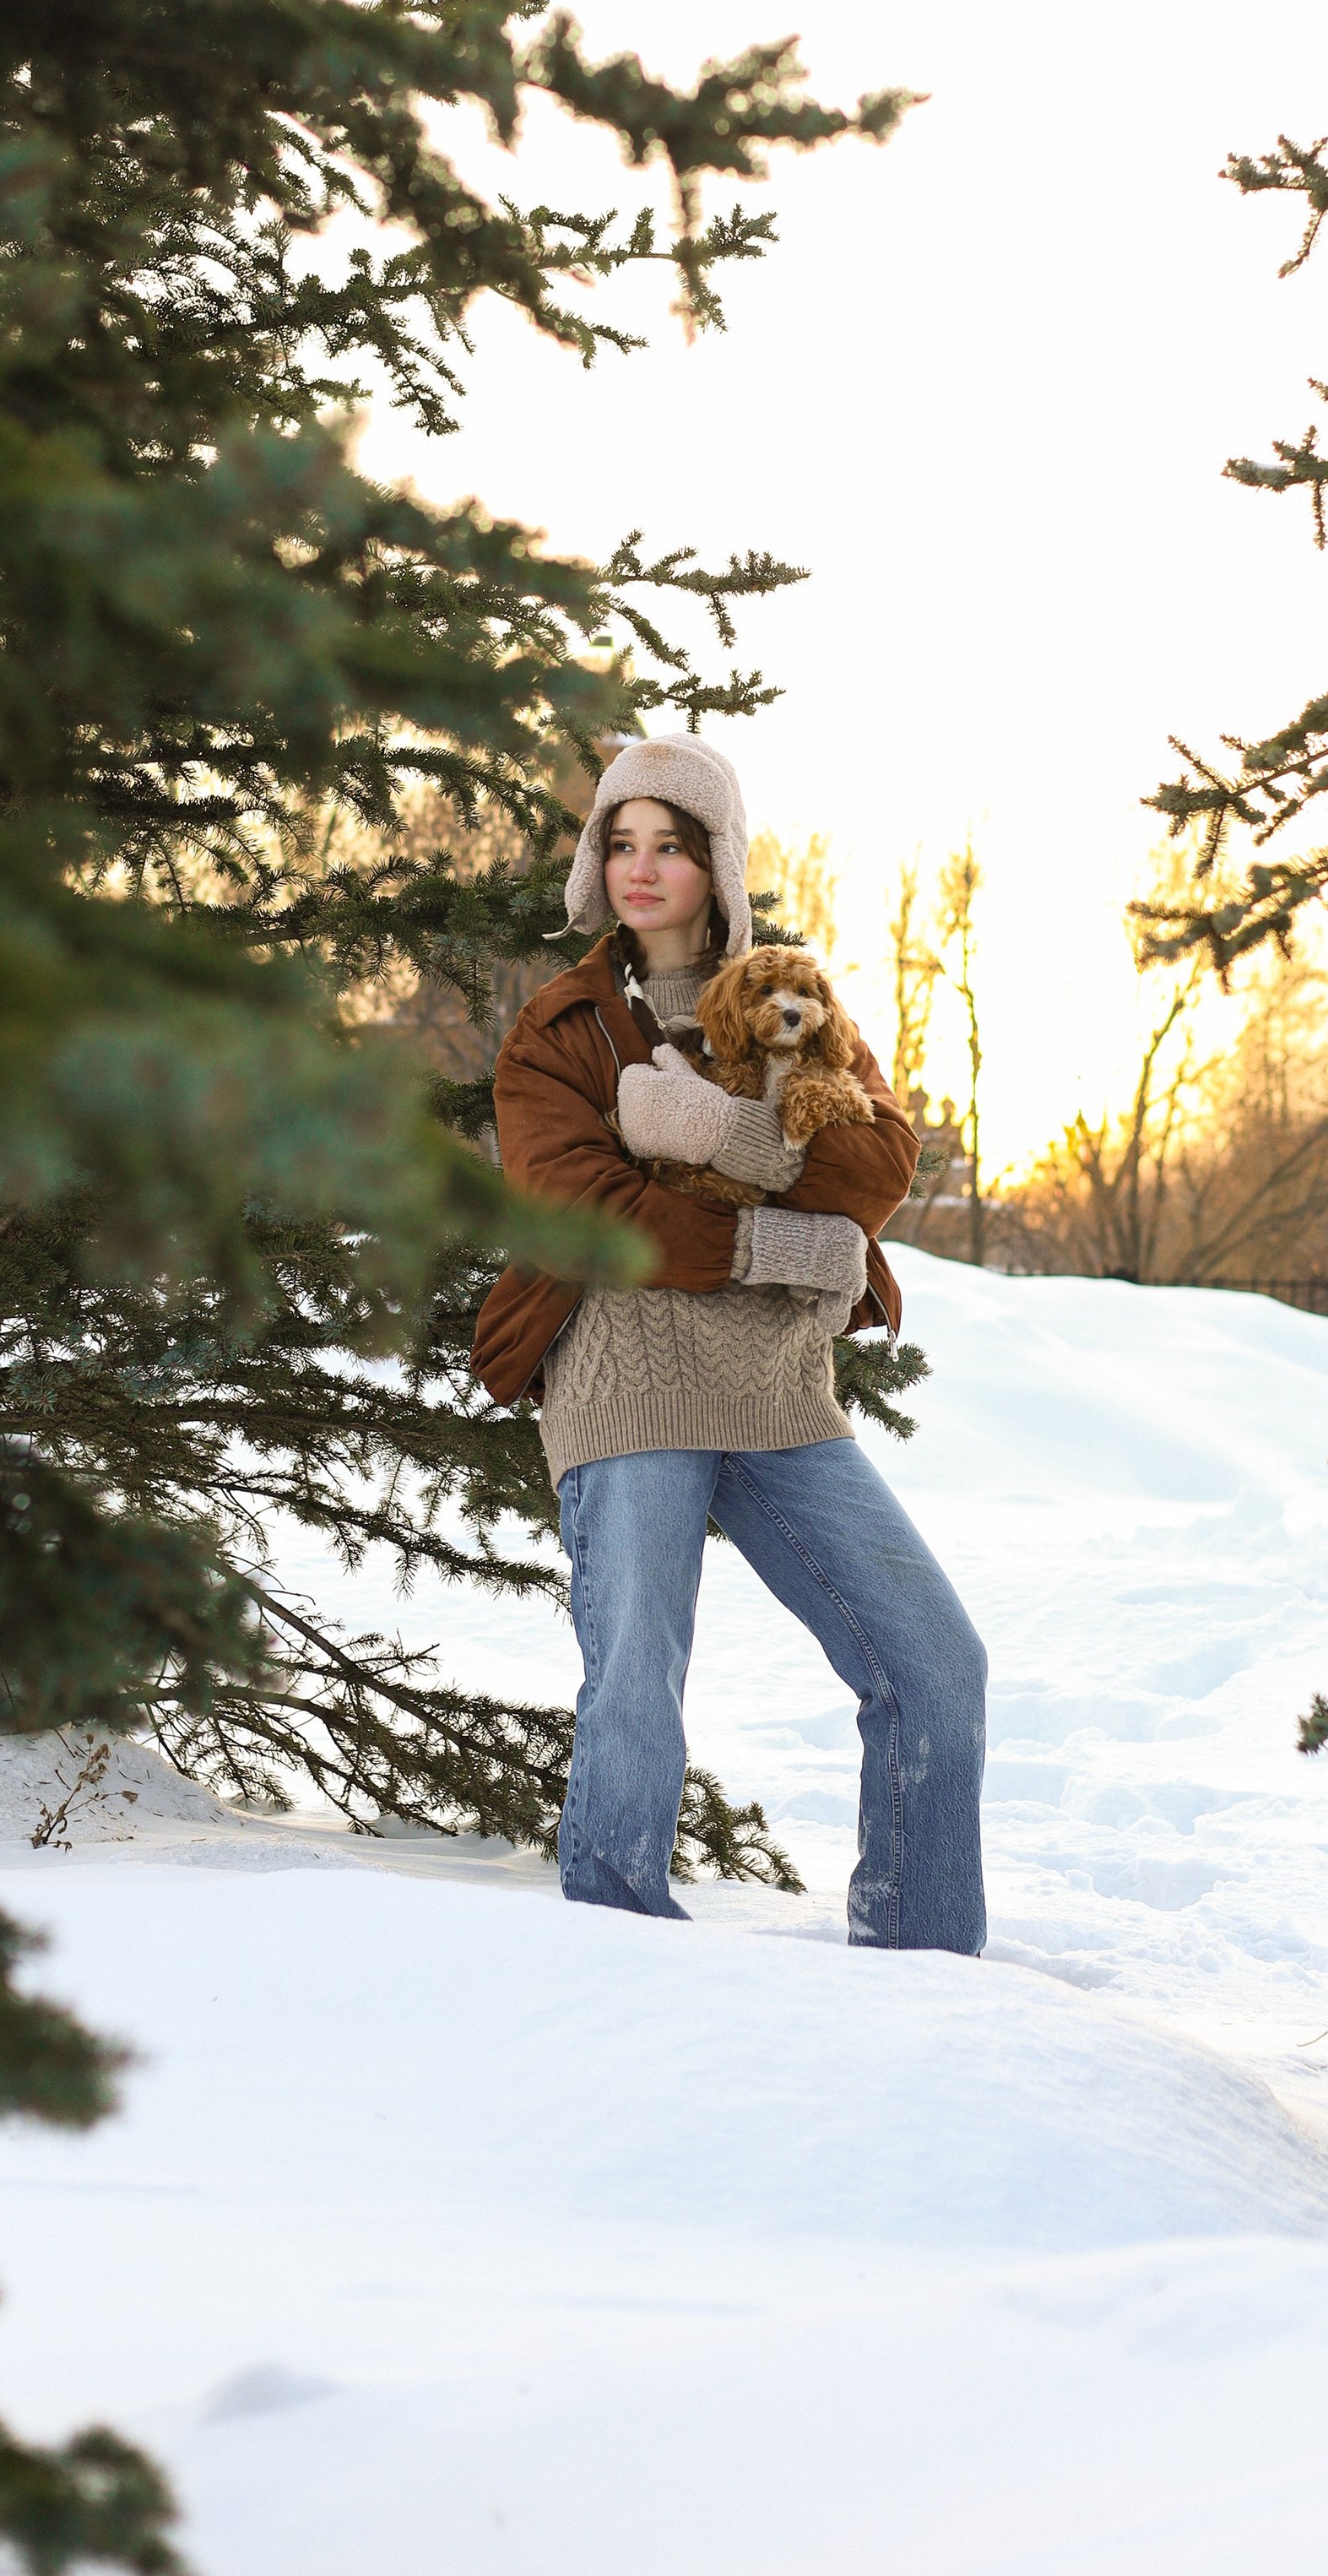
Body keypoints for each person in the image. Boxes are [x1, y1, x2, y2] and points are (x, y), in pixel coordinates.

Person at [472, 733, 988, 1951]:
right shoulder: (559, 1028)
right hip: (627, 1382)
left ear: (720, 864)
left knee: (935, 1668)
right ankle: (620, 1956)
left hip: (777, 1392)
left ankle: (924, 1966)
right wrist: (778, 1246)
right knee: (638, 1692)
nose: (641, 869)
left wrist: (728, 1141)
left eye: (672, 845)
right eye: (620, 843)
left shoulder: (791, 995)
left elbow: (878, 1162)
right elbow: (589, 1213)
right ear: (596, 863)